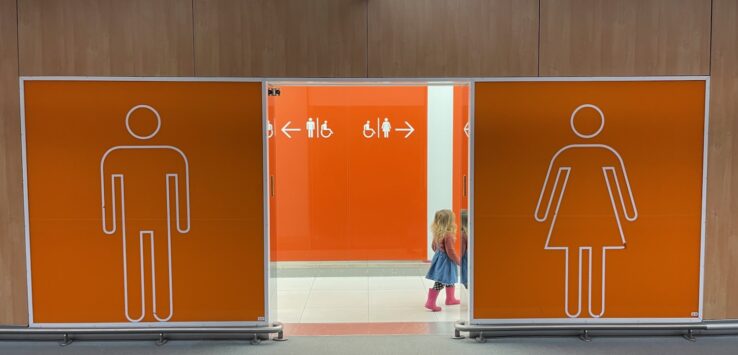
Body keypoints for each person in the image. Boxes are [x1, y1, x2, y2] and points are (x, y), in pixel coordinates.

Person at [424, 209, 461, 312]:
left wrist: (439, 255)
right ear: (449, 222)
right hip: (446, 261)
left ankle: (450, 299)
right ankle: (430, 303)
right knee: (441, 281)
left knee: (448, 279)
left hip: (440, 259)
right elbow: (451, 252)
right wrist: (459, 261)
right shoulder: (448, 235)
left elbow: (433, 246)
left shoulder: (438, 233)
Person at [460, 209, 468, 289]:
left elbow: (461, 252)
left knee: (465, 275)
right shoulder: (470, 232)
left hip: (465, 259)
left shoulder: (462, 234)